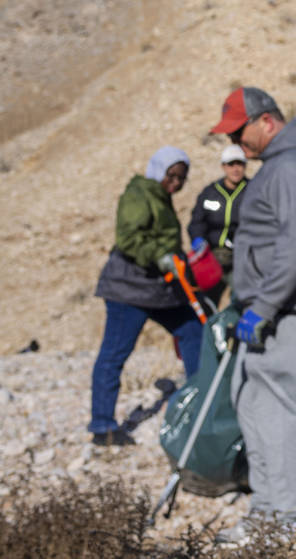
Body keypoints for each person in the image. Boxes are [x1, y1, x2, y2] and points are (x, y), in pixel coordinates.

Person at [209, 86, 296, 545]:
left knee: (278, 405)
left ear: (266, 121)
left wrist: (263, 306)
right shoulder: (281, 165)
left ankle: (285, 519)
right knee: (251, 400)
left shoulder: (292, 166)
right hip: (272, 306)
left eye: (239, 131)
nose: (236, 143)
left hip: (292, 307)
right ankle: (266, 509)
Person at [89, 146, 203, 447]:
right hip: (129, 288)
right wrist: (161, 256)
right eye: (172, 176)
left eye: (181, 179)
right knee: (114, 353)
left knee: (193, 332)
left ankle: (202, 400)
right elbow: (129, 238)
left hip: (158, 289)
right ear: (159, 170)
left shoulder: (160, 197)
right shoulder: (139, 194)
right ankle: (102, 425)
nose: (176, 184)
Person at [187, 143, 250, 310]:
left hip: (241, 258)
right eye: (231, 164)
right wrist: (198, 240)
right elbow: (197, 222)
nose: (235, 169)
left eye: (239, 164)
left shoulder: (252, 191)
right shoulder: (210, 192)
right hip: (213, 257)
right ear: (223, 166)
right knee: (204, 302)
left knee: (242, 301)